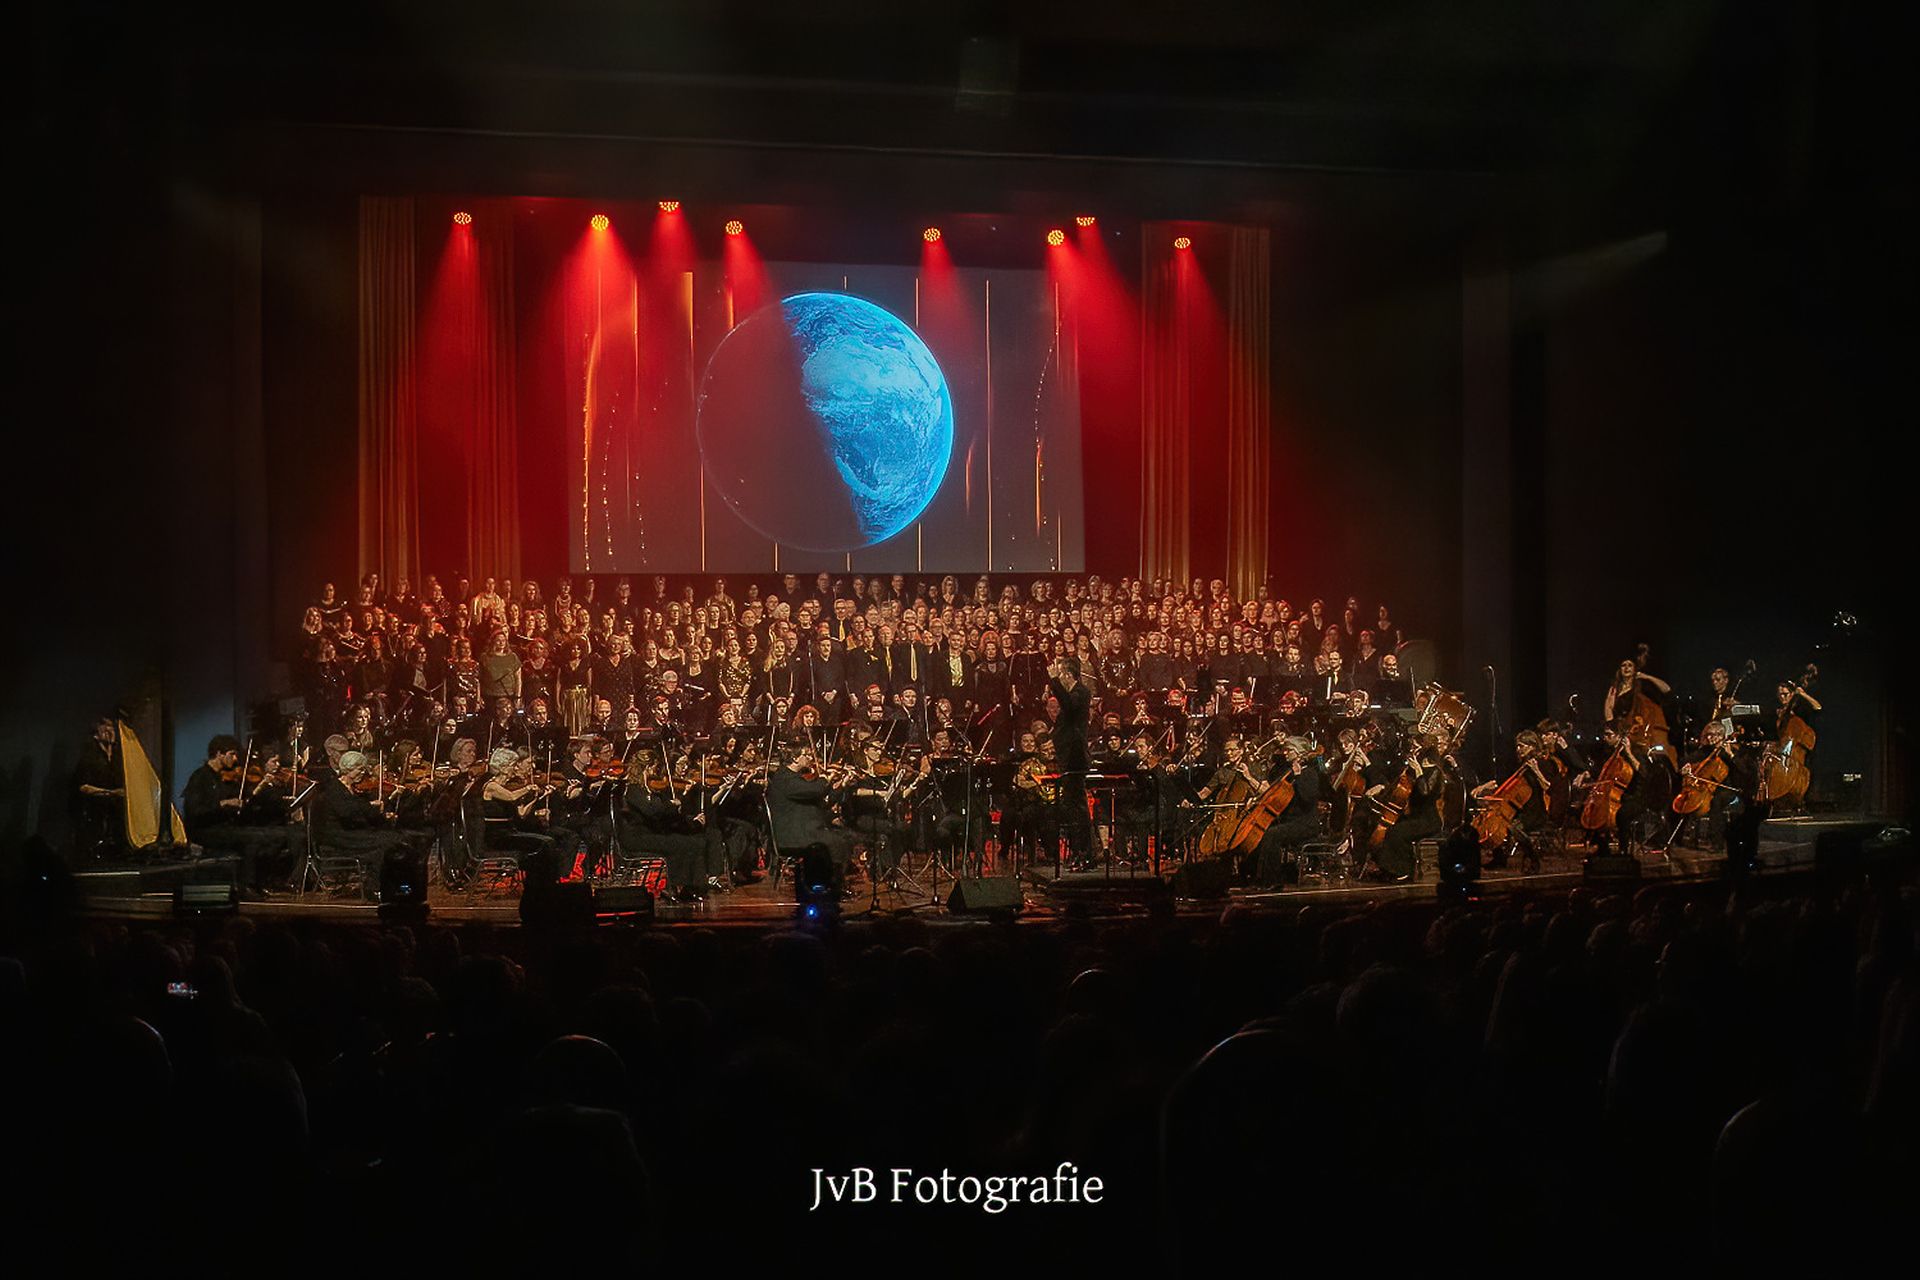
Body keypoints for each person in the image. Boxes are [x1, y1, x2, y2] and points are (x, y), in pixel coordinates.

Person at [180, 735, 289, 898]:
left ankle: (260, 882)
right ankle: (246, 886)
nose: (236, 759)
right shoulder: (200, 777)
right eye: (232, 754)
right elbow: (194, 811)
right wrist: (222, 804)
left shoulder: (224, 778)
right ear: (219, 754)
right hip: (205, 830)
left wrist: (254, 796)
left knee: (274, 836)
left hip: (224, 827)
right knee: (252, 839)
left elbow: (242, 802)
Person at [766, 743, 855, 896]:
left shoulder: (797, 779)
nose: (811, 758)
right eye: (806, 755)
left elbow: (823, 803)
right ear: (795, 758)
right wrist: (825, 779)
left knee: (845, 836)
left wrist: (842, 785)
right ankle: (832, 886)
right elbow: (816, 790)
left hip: (806, 828)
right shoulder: (784, 778)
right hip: (793, 835)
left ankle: (831, 883)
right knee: (836, 842)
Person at [1047, 655, 1094, 866]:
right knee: (1072, 807)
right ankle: (1079, 850)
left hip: (1075, 758)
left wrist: (1054, 682)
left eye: (1061, 674)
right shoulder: (1072, 694)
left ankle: (1084, 851)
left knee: (1078, 807)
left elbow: (1069, 706)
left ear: (1068, 674)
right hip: (1067, 756)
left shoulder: (1081, 692)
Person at [71, 716, 125, 860]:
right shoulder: (89, 758)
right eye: (105, 728)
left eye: (112, 728)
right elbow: (83, 787)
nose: (110, 731)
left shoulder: (119, 757)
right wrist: (111, 793)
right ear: (96, 735)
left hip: (116, 806)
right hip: (95, 806)